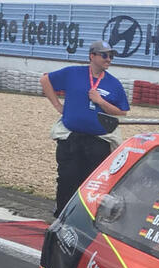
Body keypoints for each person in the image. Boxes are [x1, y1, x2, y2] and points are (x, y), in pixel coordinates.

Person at [40, 41, 129, 217]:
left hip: (99, 141)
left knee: (92, 183)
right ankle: (62, 216)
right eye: (104, 55)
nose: (109, 59)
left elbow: (122, 112)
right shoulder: (73, 73)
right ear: (92, 56)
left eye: (111, 56)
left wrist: (101, 102)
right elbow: (45, 80)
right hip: (71, 138)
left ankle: (85, 217)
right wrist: (58, 105)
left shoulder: (114, 84)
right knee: (67, 179)